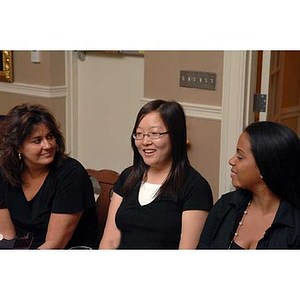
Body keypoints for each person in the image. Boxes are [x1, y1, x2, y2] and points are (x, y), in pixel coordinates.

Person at [99, 99, 213, 249]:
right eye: (139, 134)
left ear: (175, 136)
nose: (145, 141)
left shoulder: (195, 187)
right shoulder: (128, 177)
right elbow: (110, 239)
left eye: (154, 134)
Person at [0, 103, 98, 249]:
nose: (47, 145)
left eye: (50, 137)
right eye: (37, 140)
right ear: (18, 146)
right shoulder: (6, 173)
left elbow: (55, 245)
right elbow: (7, 238)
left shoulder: (72, 175)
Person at [198, 121, 300, 249]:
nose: (231, 161)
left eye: (240, 157)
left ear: (265, 167)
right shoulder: (225, 206)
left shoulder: (294, 226)